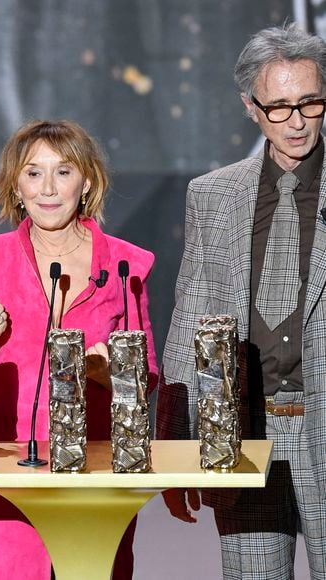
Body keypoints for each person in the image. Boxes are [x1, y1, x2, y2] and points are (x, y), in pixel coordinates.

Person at [0, 119, 158, 579]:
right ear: (15, 186)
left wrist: (109, 372)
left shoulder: (125, 265)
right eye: (33, 173)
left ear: (86, 182)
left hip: (97, 472)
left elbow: (147, 377)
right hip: (9, 475)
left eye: (63, 172)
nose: (48, 188)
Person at [157, 24, 326, 579]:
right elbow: (190, 321)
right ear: (251, 108)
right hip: (246, 434)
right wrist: (179, 447)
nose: (297, 121)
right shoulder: (213, 195)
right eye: (278, 107)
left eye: (310, 102)